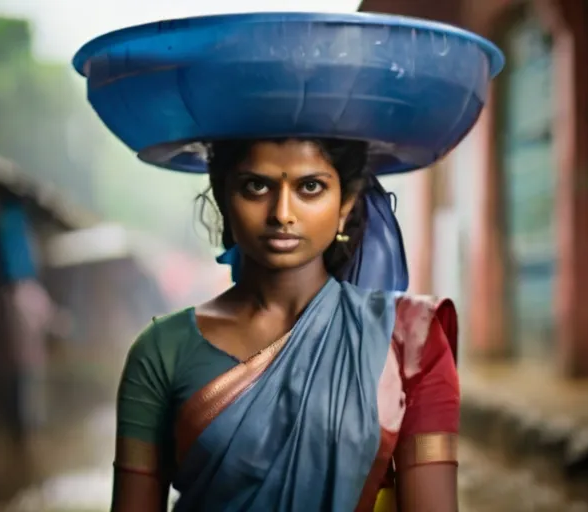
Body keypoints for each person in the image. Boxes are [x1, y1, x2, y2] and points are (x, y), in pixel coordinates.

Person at [111, 138, 459, 511]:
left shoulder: (410, 340)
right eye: (256, 186)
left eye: (310, 187)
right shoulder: (163, 350)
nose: (282, 213)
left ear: (346, 203)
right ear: (222, 193)